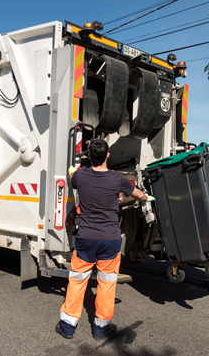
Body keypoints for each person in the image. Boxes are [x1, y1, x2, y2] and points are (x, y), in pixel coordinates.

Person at [56, 138, 154, 340]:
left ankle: (67, 326)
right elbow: (137, 195)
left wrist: (74, 167)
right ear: (108, 155)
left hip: (86, 238)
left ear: (90, 156)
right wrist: (148, 198)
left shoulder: (80, 176)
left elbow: (72, 175)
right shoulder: (117, 179)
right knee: (107, 282)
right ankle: (100, 328)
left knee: (77, 280)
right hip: (110, 239)